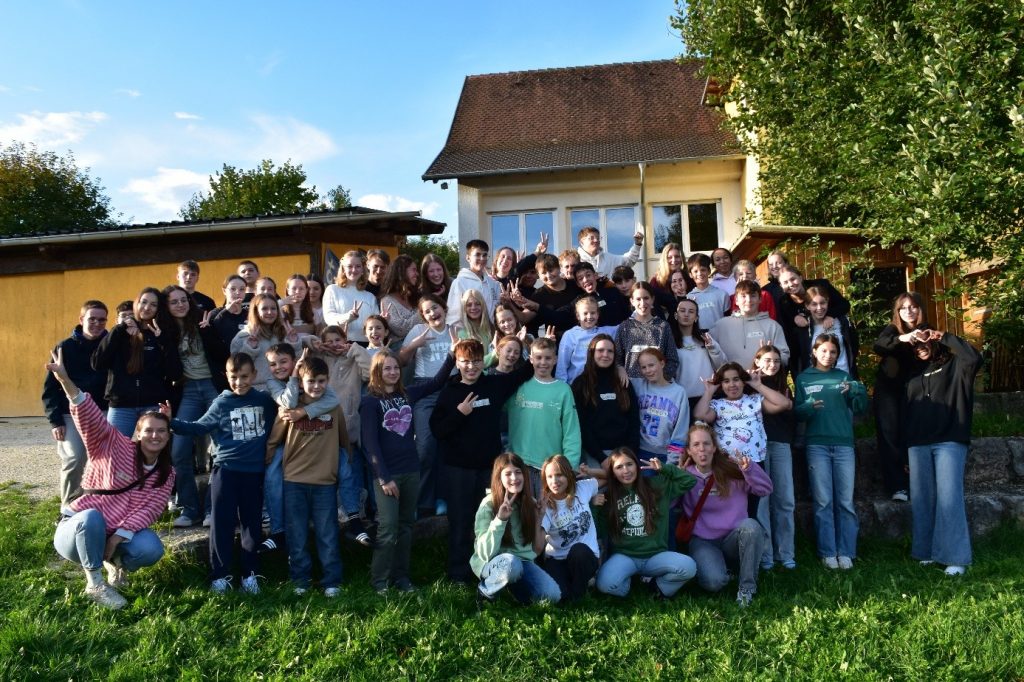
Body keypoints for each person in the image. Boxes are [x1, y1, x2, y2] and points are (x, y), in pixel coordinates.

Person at [46, 347, 174, 610]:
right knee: (92, 516)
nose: (154, 436)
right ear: (137, 434)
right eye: (148, 430)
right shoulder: (113, 445)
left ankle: (115, 565)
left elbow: (150, 510)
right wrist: (65, 382)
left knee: (151, 548)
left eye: (161, 431)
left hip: (111, 536)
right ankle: (94, 583)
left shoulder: (166, 473)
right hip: (76, 530)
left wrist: (118, 537)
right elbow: (89, 415)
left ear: (169, 435)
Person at [163, 353, 279, 594]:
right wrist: (171, 421)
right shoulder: (221, 403)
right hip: (225, 472)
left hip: (255, 473)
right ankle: (220, 575)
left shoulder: (265, 401)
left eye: (245, 376)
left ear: (254, 376)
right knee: (222, 523)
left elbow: (281, 420)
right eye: (234, 377)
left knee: (252, 523)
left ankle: (250, 574)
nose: (239, 382)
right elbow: (199, 427)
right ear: (226, 376)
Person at [429, 338, 533, 584]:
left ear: (484, 361)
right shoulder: (449, 391)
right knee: (461, 521)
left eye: (476, 361)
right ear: (458, 362)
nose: (471, 367)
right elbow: (437, 430)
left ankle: (487, 569)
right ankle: (458, 574)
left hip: (489, 470)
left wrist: (537, 346)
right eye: (465, 362)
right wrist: (459, 414)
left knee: (488, 520)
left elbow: (524, 373)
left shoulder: (493, 385)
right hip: (458, 469)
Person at [360, 347, 456, 594]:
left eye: (395, 368)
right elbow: (370, 444)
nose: (392, 372)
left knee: (405, 526)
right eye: (386, 368)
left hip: (411, 471)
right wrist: (384, 477)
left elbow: (436, 383)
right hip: (387, 477)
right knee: (388, 526)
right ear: (377, 372)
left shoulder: (407, 394)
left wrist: (452, 356)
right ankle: (379, 581)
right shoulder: (370, 402)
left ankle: (401, 577)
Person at [266, 357, 346, 596]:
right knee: (297, 534)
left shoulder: (332, 406)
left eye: (322, 381)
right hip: (295, 481)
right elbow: (274, 437)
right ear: (301, 382)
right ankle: (300, 580)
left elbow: (343, 440)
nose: (317, 386)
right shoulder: (289, 408)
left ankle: (332, 580)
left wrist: (340, 466)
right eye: (311, 381)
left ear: (328, 381)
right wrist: (268, 457)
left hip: (325, 481)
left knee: (327, 534)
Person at [905, 329, 981, 576]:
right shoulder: (913, 374)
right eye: (916, 344)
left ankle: (955, 557)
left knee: (949, 498)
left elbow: (974, 357)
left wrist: (943, 336)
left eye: (924, 341)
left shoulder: (956, 366)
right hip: (917, 443)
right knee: (923, 499)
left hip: (949, 439)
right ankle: (926, 552)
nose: (920, 347)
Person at [794, 334, 867, 570]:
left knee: (845, 501)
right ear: (815, 352)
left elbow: (860, 408)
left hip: (844, 444)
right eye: (823, 350)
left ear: (838, 355)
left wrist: (857, 392)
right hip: (816, 445)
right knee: (823, 501)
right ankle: (827, 552)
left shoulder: (844, 377)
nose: (828, 355)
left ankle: (846, 551)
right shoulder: (803, 378)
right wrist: (806, 407)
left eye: (833, 352)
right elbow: (797, 414)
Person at [680, 423, 772, 606]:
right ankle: (725, 571)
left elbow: (765, 488)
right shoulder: (685, 476)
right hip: (703, 541)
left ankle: (747, 587)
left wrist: (749, 469)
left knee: (751, 527)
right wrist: (674, 480)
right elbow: (669, 505)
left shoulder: (731, 469)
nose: (702, 449)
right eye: (696, 445)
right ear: (689, 451)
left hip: (733, 538)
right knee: (714, 582)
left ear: (714, 447)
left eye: (706, 444)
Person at [163, 285, 228, 528]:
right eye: (174, 302)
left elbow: (223, 355)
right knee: (179, 450)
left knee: (221, 448)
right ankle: (190, 509)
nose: (180, 305)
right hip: (188, 391)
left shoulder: (203, 321)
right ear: (167, 307)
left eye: (183, 300)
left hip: (211, 388)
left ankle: (213, 508)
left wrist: (208, 331)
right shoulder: (166, 331)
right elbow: (168, 369)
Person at [594, 447, 697, 599]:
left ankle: (658, 587)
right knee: (605, 585)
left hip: (656, 556)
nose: (626, 470)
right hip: (625, 556)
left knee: (689, 566)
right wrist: (595, 507)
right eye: (619, 467)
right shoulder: (609, 496)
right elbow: (600, 529)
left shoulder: (657, 485)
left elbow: (689, 481)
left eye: (629, 464)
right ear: (613, 473)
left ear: (637, 465)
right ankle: (626, 585)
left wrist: (664, 469)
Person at [42, 300, 110, 506]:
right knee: (74, 459)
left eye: (102, 320)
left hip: (103, 412)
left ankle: (101, 506)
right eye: (92, 319)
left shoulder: (111, 346)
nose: (97, 323)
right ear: (81, 320)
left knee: (106, 461)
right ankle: (68, 508)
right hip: (69, 414)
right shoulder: (64, 348)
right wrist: (55, 421)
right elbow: (50, 388)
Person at [472, 452, 561, 604]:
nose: (514, 478)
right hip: (493, 563)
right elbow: (484, 554)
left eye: (518, 472)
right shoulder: (488, 504)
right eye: (508, 474)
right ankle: (485, 592)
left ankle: (515, 593)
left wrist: (539, 517)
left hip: (522, 564)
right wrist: (500, 520)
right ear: (499, 477)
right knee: (512, 564)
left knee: (552, 595)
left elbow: (536, 550)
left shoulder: (530, 503)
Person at [92, 287, 181, 437]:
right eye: (144, 302)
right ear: (136, 304)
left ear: (159, 308)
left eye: (153, 304)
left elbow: (175, 373)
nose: (147, 307)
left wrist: (163, 342)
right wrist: (119, 330)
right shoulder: (120, 332)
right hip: (121, 406)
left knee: (152, 452)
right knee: (116, 452)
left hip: (152, 405)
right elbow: (97, 363)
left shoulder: (162, 334)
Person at [398, 295, 456, 517]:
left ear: (443, 307)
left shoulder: (455, 329)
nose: (433, 313)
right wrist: (414, 345)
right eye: (427, 311)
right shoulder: (418, 331)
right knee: (425, 447)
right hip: (426, 390)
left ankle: (442, 497)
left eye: (435, 307)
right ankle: (422, 502)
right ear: (423, 315)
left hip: (452, 388)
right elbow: (402, 360)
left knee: (448, 446)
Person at [506, 337, 582, 490]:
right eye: (539, 357)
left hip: (550, 469)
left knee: (547, 512)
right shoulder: (518, 385)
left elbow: (571, 431)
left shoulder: (563, 390)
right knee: (524, 513)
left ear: (555, 360)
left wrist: (570, 466)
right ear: (531, 359)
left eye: (548, 358)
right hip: (519, 466)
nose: (543, 362)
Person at [872, 292, 927, 501]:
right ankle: (897, 486)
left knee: (913, 435)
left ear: (920, 309)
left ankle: (917, 483)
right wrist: (902, 338)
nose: (908, 311)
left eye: (912, 307)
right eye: (903, 308)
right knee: (890, 435)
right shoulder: (893, 329)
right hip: (888, 391)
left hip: (916, 391)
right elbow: (879, 346)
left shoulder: (926, 329)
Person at [751, 345, 797, 569]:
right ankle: (766, 555)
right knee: (762, 502)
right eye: (767, 360)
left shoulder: (784, 386)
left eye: (776, 361)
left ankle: (786, 553)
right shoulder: (749, 386)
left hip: (780, 443)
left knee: (785, 499)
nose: (772, 364)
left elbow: (788, 407)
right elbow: (774, 407)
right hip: (756, 447)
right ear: (757, 362)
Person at [538, 454, 602, 602]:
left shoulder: (582, 488)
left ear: (568, 474)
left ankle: (579, 595)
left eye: (559, 475)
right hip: (558, 558)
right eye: (550, 477)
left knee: (578, 550)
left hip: (585, 556)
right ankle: (573, 589)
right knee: (559, 596)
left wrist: (591, 474)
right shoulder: (546, 506)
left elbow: (608, 477)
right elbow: (537, 546)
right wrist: (538, 517)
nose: (554, 481)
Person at [572, 334, 640, 467]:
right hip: (594, 455)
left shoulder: (623, 381)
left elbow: (634, 420)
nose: (605, 354)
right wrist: (601, 457)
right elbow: (581, 425)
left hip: (624, 455)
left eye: (610, 351)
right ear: (592, 353)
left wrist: (629, 453)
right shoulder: (580, 384)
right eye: (600, 350)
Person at [230, 293, 308, 390]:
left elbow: (299, 364)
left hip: (284, 390)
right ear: (256, 311)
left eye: (273, 308)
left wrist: (295, 344)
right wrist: (249, 349)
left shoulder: (284, 333)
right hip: (257, 392)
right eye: (264, 309)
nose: (270, 312)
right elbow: (236, 370)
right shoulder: (242, 337)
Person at [711, 279, 790, 370]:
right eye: (743, 296)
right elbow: (709, 355)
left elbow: (784, 357)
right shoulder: (720, 325)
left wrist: (771, 356)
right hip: (732, 382)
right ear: (736, 300)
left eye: (753, 296)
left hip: (762, 381)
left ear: (760, 299)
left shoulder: (773, 326)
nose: (748, 300)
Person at [632, 348, 689, 466]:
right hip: (641, 452)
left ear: (662, 363)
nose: (648, 370)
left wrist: (672, 461)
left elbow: (680, 430)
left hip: (666, 455)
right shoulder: (637, 385)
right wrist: (620, 369)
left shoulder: (678, 392)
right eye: (643, 367)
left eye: (651, 365)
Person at [669, 298, 726, 415]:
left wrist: (711, 348)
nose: (686, 314)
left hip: (708, 396)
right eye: (682, 311)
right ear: (675, 315)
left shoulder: (705, 338)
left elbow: (722, 365)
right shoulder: (669, 341)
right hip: (682, 399)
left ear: (696, 317)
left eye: (691, 311)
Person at [614, 282, 678, 381]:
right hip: (632, 386)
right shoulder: (625, 327)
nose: (643, 303)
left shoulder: (663, 326)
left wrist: (662, 379)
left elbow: (672, 359)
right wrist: (620, 370)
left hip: (657, 387)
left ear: (652, 299)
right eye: (638, 299)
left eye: (646, 298)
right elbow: (617, 358)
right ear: (632, 301)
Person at [791, 285, 858, 378]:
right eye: (814, 304)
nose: (819, 308)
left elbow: (853, 347)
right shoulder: (803, 328)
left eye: (822, 303)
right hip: (816, 380)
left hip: (843, 376)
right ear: (807, 306)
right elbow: (798, 357)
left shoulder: (842, 322)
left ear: (827, 302)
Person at [555, 296, 619, 384]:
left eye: (593, 313)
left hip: (598, 385)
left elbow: (627, 325)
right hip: (576, 385)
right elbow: (562, 365)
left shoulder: (606, 332)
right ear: (578, 316)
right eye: (585, 313)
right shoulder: (570, 335)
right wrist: (561, 388)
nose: (589, 316)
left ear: (598, 314)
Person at [323, 250, 380, 344]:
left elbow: (376, 323)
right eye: (349, 266)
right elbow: (329, 318)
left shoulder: (370, 296)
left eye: (358, 266)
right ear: (343, 269)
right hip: (341, 345)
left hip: (365, 345)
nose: (354, 270)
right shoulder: (332, 290)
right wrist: (348, 317)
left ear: (363, 269)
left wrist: (383, 320)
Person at [446, 239, 503, 326]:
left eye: (484, 255)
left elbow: (497, 311)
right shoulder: (459, 283)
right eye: (477, 255)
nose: (482, 258)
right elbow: (454, 316)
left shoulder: (493, 284)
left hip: (491, 334)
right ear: (468, 258)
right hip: (469, 336)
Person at [378, 254, 421, 342]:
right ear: (402, 271)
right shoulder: (387, 300)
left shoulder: (416, 296)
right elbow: (401, 330)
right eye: (414, 270)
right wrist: (423, 311)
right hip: (399, 350)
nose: (417, 274)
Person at [573, 261, 630, 326]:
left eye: (588, 275)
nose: (585, 280)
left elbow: (627, 313)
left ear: (595, 275)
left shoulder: (613, 291)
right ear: (578, 284)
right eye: (580, 278)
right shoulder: (580, 301)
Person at [576, 225, 643, 277]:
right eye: (591, 238)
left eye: (598, 238)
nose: (596, 240)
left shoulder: (609, 259)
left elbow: (629, 260)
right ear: (582, 242)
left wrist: (637, 244)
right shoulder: (575, 261)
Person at [686, 253, 731, 329]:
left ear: (709, 271)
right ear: (690, 274)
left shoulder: (722, 294)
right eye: (696, 271)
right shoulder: (689, 298)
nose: (700, 274)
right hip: (699, 339)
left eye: (703, 270)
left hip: (720, 338)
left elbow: (728, 320)